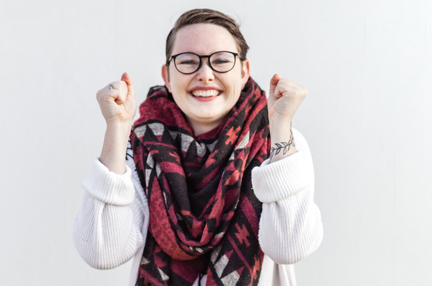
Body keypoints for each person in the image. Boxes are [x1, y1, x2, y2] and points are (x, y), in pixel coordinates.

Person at [73, 8, 323, 286]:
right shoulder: (140, 146)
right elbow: (102, 252)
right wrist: (117, 129)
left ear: (243, 72)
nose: (205, 74)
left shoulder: (281, 143)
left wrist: (280, 126)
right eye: (188, 61)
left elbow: (290, 247)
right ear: (167, 76)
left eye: (221, 61)